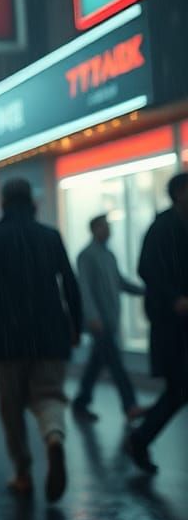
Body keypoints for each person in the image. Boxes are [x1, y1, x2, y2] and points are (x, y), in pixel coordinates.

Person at [0, 178, 82, 502]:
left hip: (9, 337)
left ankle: (22, 472)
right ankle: (53, 438)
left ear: (4, 203)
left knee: (12, 407)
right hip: (51, 333)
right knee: (49, 396)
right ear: (32, 202)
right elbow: (70, 284)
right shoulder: (50, 235)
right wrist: (75, 325)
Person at [126, 173, 188, 474]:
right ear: (178, 193)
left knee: (179, 389)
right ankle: (140, 438)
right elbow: (146, 268)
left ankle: (140, 438)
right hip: (171, 324)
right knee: (178, 389)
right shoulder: (162, 227)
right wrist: (174, 298)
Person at [72, 214, 144, 423]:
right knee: (116, 364)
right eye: (104, 227)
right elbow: (84, 289)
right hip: (99, 323)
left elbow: (120, 282)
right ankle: (130, 405)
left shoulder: (109, 255)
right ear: (94, 229)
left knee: (97, 364)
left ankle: (81, 402)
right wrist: (93, 317)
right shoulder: (86, 256)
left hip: (110, 320)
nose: (108, 230)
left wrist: (146, 291)